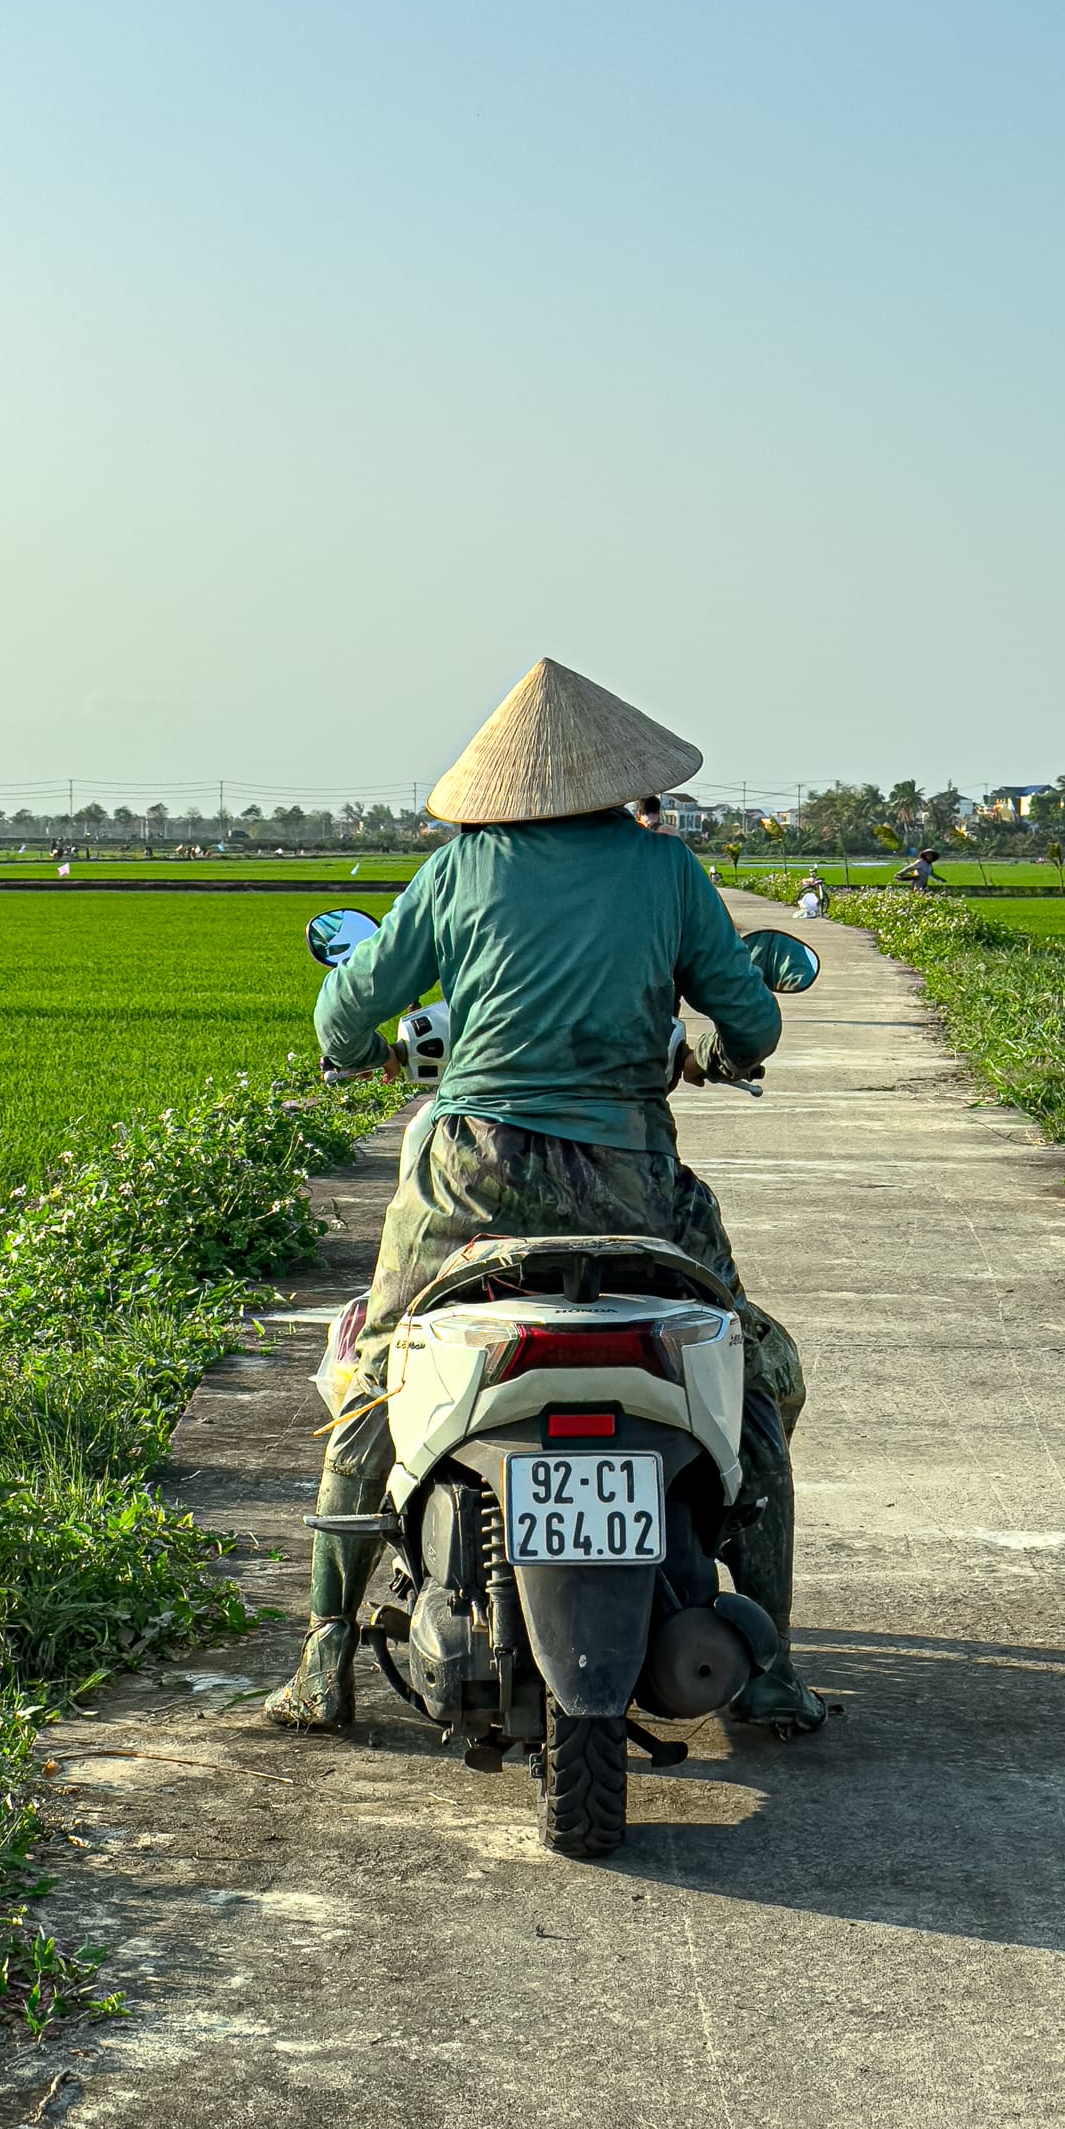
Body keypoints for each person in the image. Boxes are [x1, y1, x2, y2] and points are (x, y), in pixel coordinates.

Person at [266, 657, 827, 1736]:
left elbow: (351, 1007)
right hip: (630, 1178)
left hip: (468, 1175)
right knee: (749, 1368)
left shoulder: (460, 868)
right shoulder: (666, 871)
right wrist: (711, 1046)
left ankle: (323, 1658)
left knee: (378, 1375)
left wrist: (359, 1046)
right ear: (620, 779)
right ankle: (769, 1670)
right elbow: (748, 1020)